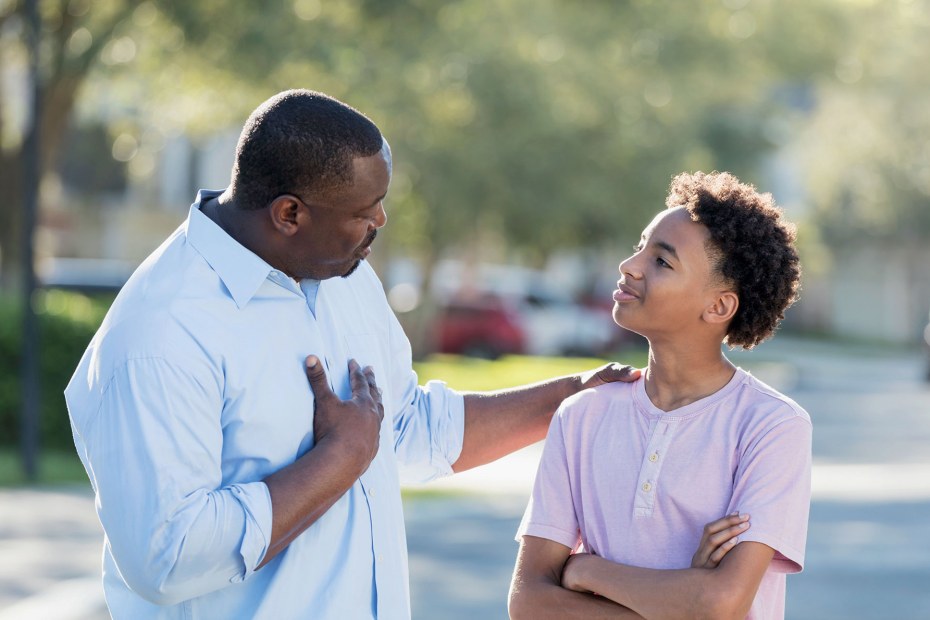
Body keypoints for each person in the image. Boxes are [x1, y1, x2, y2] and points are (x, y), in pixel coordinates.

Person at [64, 89, 645, 620]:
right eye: (365, 212)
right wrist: (338, 460)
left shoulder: (342, 274)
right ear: (289, 214)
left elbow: (405, 429)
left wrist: (569, 398)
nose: (381, 223)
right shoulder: (162, 333)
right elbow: (166, 558)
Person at [509, 171, 811, 619]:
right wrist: (681, 598)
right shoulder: (581, 416)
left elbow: (721, 603)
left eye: (662, 261)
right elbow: (529, 603)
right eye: (641, 246)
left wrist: (588, 572)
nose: (629, 266)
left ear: (719, 306)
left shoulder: (772, 426)